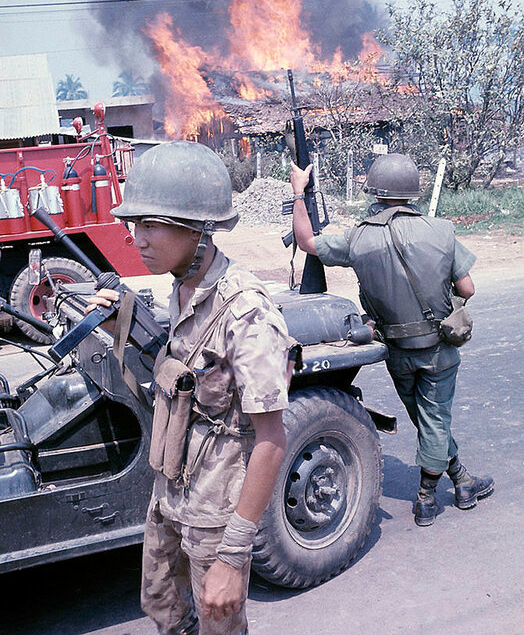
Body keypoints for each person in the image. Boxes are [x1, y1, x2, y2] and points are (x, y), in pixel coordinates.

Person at [87, 140, 290, 635]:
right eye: (136, 225)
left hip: (217, 513)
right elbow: (181, 380)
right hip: (170, 494)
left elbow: (271, 441)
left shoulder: (248, 312)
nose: (139, 239)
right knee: (164, 609)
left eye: (152, 224)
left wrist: (234, 555)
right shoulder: (182, 286)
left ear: (199, 230)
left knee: (219, 624)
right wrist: (123, 320)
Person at [290, 152, 493, 527]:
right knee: (434, 419)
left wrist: (299, 192)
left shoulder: (357, 239)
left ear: (375, 191)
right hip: (438, 349)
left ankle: (463, 480)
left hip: (395, 352)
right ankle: (427, 498)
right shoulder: (441, 230)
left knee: (428, 419)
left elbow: (305, 241)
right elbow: (468, 287)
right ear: (413, 192)